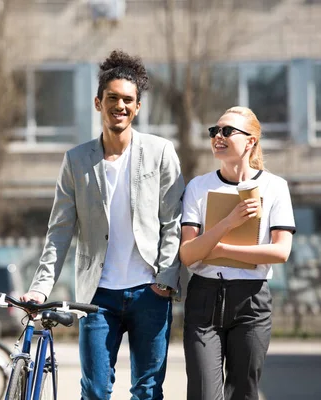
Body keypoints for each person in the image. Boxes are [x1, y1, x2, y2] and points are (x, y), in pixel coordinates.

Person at [20, 49, 184, 400]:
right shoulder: (77, 161)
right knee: (94, 390)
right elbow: (59, 230)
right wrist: (40, 288)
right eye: (112, 98)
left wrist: (166, 279)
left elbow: (173, 220)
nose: (120, 106)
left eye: (128, 100)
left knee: (148, 390)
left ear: (138, 106)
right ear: (98, 103)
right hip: (97, 297)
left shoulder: (160, 153)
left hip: (149, 292)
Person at [180, 106, 296, 400]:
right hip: (203, 299)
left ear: (251, 141)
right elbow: (189, 254)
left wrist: (218, 249)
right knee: (204, 394)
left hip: (252, 301)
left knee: (244, 393)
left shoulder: (275, 187)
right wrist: (230, 222)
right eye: (214, 131)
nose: (218, 136)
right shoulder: (198, 187)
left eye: (227, 131)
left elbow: (281, 251)